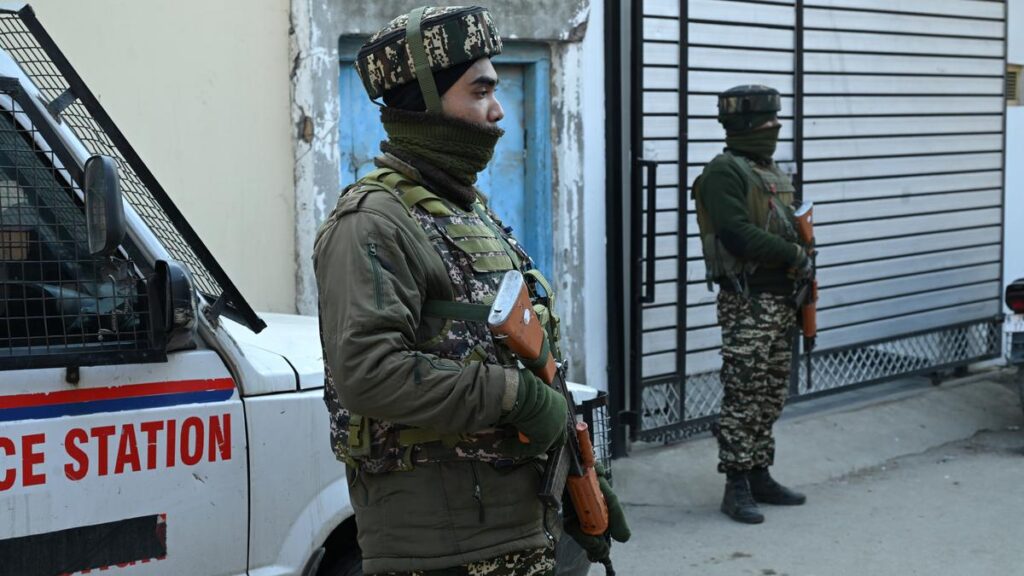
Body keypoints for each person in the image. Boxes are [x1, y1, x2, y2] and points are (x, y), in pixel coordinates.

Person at [313, 6, 628, 575]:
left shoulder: (463, 209)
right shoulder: (371, 223)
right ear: (425, 104)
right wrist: (518, 398)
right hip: (443, 549)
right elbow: (368, 372)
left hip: (515, 523)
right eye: (480, 91)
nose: (497, 110)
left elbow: (521, 352)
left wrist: (578, 472)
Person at [692, 85, 812, 524]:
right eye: (767, 122)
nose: (775, 129)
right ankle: (736, 483)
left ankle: (760, 472)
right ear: (744, 125)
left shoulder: (770, 171)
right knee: (744, 392)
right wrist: (794, 254)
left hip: (782, 299)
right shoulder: (724, 172)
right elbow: (737, 234)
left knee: (771, 392)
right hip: (749, 300)